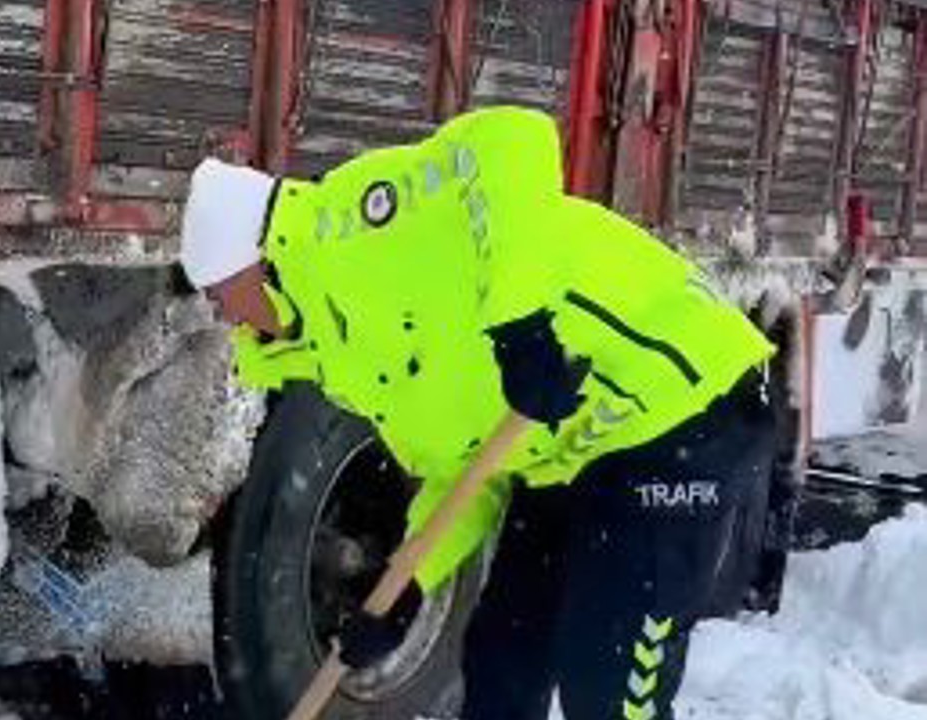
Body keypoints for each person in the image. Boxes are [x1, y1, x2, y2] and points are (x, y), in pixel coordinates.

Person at [179, 106, 779, 720]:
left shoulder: (349, 219)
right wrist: (407, 582)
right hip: (564, 447)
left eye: (217, 293)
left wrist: (520, 325)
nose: (221, 316)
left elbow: (513, 139)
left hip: (684, 397)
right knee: (503, 664)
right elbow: (461, 466)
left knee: (607, 675)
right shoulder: (336, 360)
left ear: (252, 260)